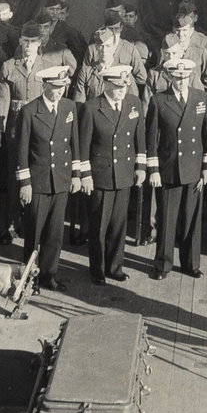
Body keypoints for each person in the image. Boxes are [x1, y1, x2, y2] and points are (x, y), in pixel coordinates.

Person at [146, 58, 207, 280]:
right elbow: (151, 140)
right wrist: (154, 170)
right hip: (169, 169)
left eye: (184, 77)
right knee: (167, 220)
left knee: (191, 219)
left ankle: (191, 263)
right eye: (177, 77)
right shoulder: (158, 101)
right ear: (169, 77)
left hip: (194, 170)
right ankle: (163, 265)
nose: (181, 81)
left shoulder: (201, 97)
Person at [14, 66, 82, 292]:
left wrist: (76, 174)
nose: (60, 91)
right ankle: (29, 277)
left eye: (63, 87)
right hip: (39, 182)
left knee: (55, 233)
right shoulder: (29, 111)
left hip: (61, 181)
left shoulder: (69, 107)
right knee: (34, 233)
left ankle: (48, 275)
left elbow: (74, 144)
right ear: (45, 86)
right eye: (55, 88)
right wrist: (25, 184)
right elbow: (22, 151)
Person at [77, 65, 147, 284]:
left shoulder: (133, 103)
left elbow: (140, 138)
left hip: (124, 174)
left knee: (119, 224)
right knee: (99, 226)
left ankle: (115, 267)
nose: (121, 90)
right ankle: (97, 269)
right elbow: (83, 145)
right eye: (117, 87)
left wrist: (141, 167)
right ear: (106, 84)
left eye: (124, 86)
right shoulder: (91, 108)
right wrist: (85, 175)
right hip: (101, 175)